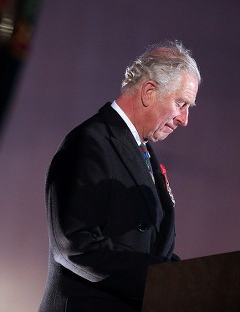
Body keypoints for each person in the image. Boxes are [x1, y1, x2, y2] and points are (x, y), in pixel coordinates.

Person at [39, 40, 201, 312]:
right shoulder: (89, 143)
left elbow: (147, 248)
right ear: (149, 92)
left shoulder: (141, 150)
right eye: (181, 103)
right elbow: (76, 243)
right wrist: (161, 280)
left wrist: (191, 282)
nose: (184, 119)